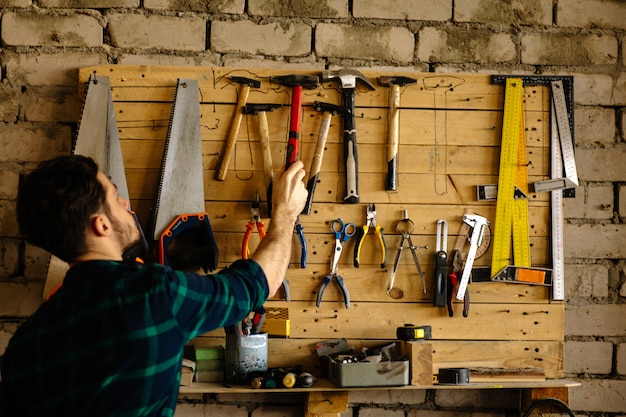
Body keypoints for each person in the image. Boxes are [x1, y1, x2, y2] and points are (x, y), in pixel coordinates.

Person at [0, 154, 307, 416]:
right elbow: (253, 284)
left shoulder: (25, 345)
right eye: (115, 197)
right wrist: (285, 213)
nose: (125, 203)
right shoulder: (156, 294)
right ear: (101, 225)